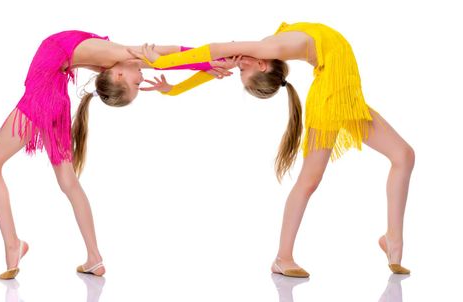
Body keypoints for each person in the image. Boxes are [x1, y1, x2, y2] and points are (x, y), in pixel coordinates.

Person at [131, 22, 415, 277]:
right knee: (309, 181)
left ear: (262, 65)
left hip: (344, 94)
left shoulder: (268, 47)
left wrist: (171, 75)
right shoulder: (270, 48)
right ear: (263, 66)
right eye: (242, 70)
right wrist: (169, 70)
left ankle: (392, 237)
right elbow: (216, 53)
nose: (238, 65)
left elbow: (215, 53)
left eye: (241, 70)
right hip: (332, 96)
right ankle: (283, 257)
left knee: (403, 155)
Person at [0, 30, 220, 279]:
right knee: (68, 182)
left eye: (136, 83)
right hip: (56, 98)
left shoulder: (114, 56)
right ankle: (94, 258)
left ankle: (13, 245)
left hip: (42, 97)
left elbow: (164, 55)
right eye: (138, 84)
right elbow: (164, 54)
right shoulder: (112, 57)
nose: (142, 77)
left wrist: (207, 62)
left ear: (118, 75)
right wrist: (208, 62)